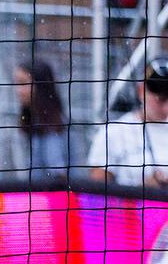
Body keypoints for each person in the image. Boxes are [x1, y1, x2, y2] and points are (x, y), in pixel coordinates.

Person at [87, 57, 168, 187]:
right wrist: (143, 190)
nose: (166, 107)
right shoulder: (114, 132)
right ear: (141, 90)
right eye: (160, 99)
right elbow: (96, 196)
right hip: (133, 205)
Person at [14, 60, 69, 181]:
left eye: (23, 83)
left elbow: (58, 175)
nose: (18, 91)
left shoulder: (52, 123)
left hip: (52, 197)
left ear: (40, 86)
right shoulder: (33, 119)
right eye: (17, 83)